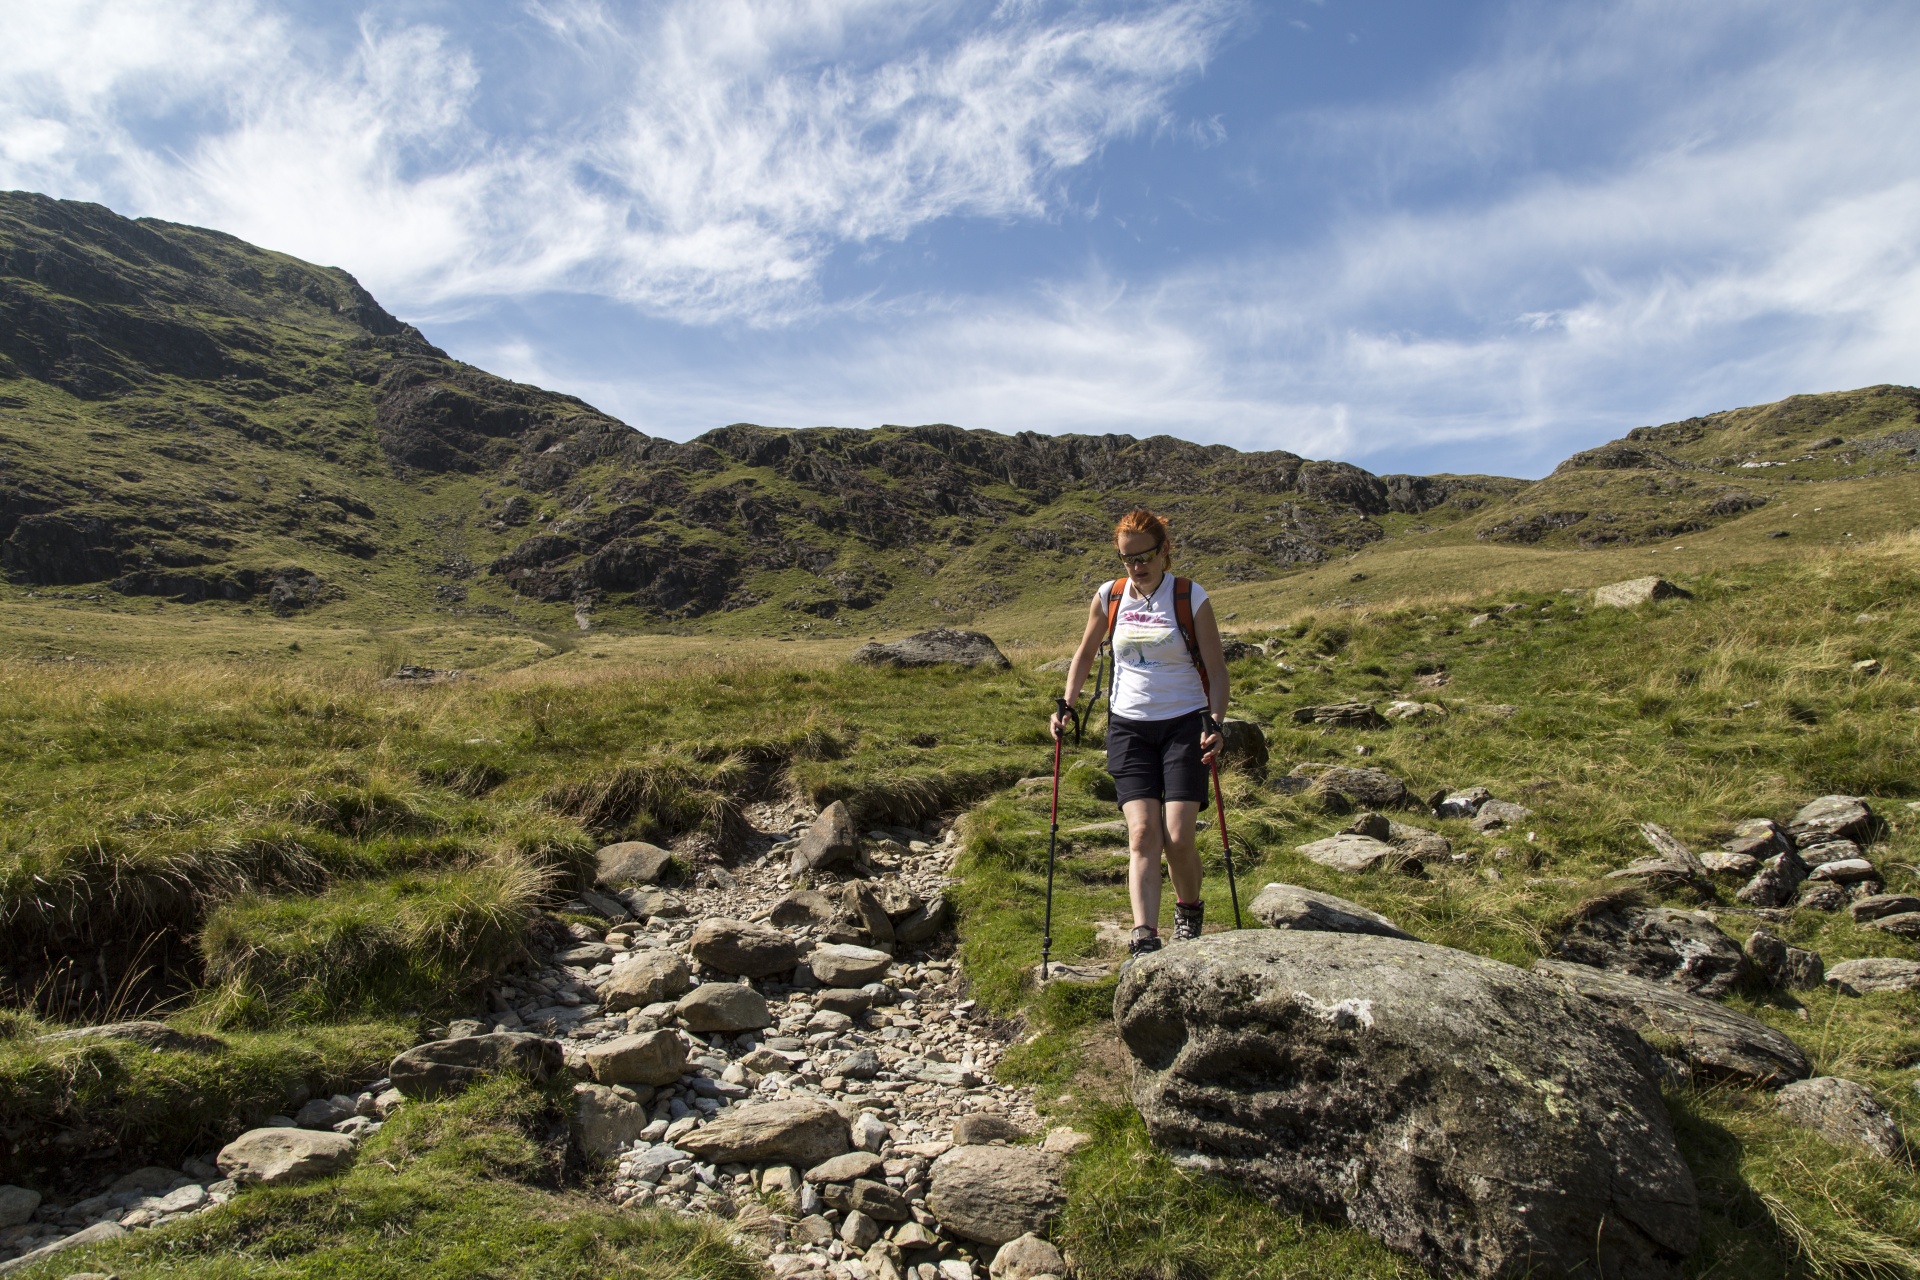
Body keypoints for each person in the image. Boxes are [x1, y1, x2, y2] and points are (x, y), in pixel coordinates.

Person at [1051, 509, 1229, 957]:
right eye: (1127, 558)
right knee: (1143, 833)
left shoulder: (1190, 597)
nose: (1137, 566)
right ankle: (1144, 935)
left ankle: (1188, 911)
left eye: (1146, 556)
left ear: (1165, 551)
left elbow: (1217, 669)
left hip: (1185, 725)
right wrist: (1067, 705)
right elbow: (1085, 653)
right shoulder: (1110, 596)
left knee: (1178, 835)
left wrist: (1216, 723)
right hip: (1128, 727)